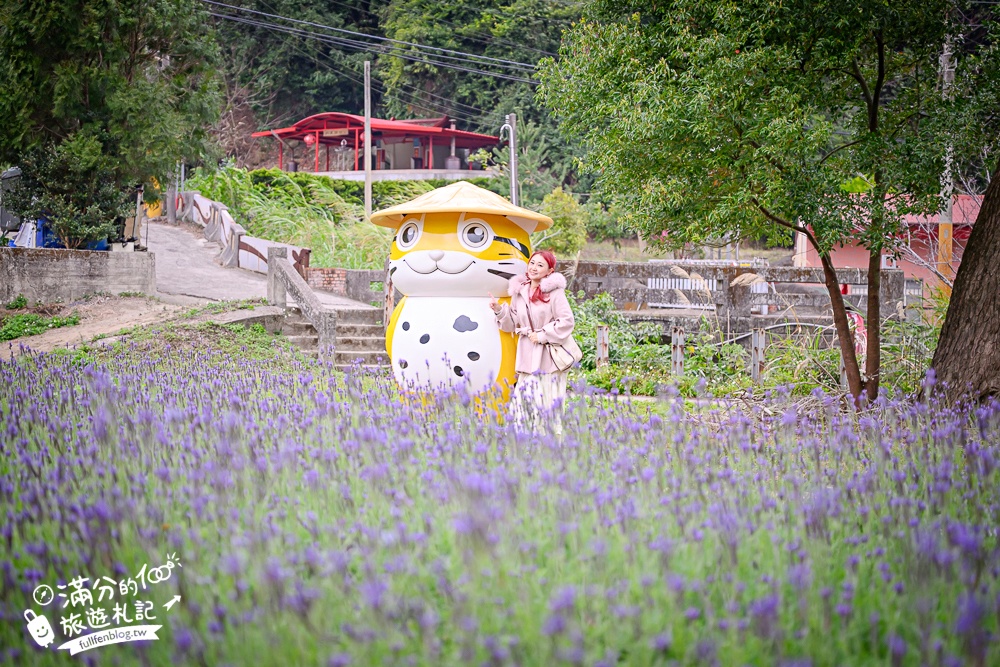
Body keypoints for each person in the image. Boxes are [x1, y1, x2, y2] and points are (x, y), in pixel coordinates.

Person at [489, 250, 579, 433]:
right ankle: (525, 447)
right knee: (523, 405)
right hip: (527, 356)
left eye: (540, 265)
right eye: (532, 263)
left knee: (547, 403)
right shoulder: (519, 292)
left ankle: (549, 446)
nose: (534, 268)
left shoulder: (555, 293)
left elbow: (567, 321)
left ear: (549, 271)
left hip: (548, 358)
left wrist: (543, 335)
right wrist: (499, 310)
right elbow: (512, 323)